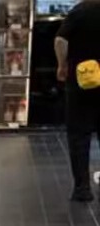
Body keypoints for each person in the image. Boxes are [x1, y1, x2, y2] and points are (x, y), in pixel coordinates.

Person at [55, 0, 100, 202]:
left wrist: (62, 64)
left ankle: (82, 189)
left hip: (81, 81)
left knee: (79, 136)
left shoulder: (80, 11)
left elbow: (60, 40)